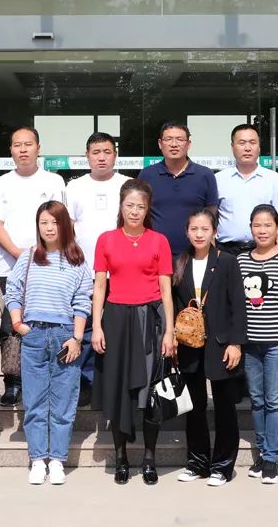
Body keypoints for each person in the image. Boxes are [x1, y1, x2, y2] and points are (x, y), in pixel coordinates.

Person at [91, 179, 177, 486]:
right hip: (116, 319)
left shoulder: (159, 241)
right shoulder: (106, 240)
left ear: (148, 209)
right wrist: (96, 325)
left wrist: (170, 331)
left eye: (141, 206)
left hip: (150, 319)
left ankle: (149, 458)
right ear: (121, 206)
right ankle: (121, 458)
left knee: (151, 393)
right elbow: (99, 287)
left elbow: (166, 289)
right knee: (119, 391)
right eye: (130, 205)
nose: (135, 211)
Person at [7, 201, 92, 486]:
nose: (49, 228)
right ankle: (37, 459)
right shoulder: (29, 257)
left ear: (65, 224)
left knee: (63, 403)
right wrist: (18, 324)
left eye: (54, 222)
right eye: (43, 222)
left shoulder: (77, 260)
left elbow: (82, 301)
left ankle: (56, 460)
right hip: (34, 335)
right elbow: (13, 290)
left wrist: (77, 338)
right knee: (34, 402)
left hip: (65, 336)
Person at [0, 126, 66, 406]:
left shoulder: (54, 181)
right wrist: (18, 253)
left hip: (48, 264)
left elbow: (60, 222)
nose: (23, 149)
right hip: (9, 265)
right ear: (10, 150)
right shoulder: (1, 183)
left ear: (38, 148)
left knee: (44, 321)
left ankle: (44, 378)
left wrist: (42, 252)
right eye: (17, 145)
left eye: (28, 144)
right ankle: (13, 381)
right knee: (10, 324)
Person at [171, 209, 247, 487]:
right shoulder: (181, 261)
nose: (199, 234)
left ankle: (223, 466)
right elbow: (176, 304)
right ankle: (197, 463)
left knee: (225, 407)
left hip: (221, 344)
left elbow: (238, 304)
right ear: (186, 232)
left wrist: (236, 343)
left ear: (214, 232)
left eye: (205, 229)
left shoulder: (227, 261)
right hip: (190, 345)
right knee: (194, 406)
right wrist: (174, 339)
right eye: (194, 229)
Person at [236, 204, 278, 485]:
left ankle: (272, 457)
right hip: (250, 344)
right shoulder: (241, 261)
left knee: (275, 401)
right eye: (257, 225)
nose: (262, 230)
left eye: (268, 225)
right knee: (257, 400)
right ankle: (263, 451)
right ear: (250, 228)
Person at [66, 131, 130, 405]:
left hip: (123, 272)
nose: (101, 157)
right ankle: (87, 382)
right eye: (96, 152)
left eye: (107, 152)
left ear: (115, 155)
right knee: (86, 327)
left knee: (117, 328)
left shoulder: (128, 185)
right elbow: (68, 229)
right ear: (87, 156)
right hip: (85, 271)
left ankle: (115, 383)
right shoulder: (74, 187)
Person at [136, 122, 218, 256]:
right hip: (154, 252)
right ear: (160, 143)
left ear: (188, 144)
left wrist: (211, 255)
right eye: (168, 139)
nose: (174, 144)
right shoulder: (147, 175)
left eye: (180, 139)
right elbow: (139, 212)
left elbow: (211, 216)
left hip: (194, 254)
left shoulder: (205, 175)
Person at [216, 124, 278, 255]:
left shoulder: (274, 179)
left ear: (259, 147)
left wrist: (277, 253)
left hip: (264, 251)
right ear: (232, 146)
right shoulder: (218, 179)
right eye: (242, 143)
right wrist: (214, 253)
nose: (247, 148)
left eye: (252, 142)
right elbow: (210, 218)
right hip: (226, 251)